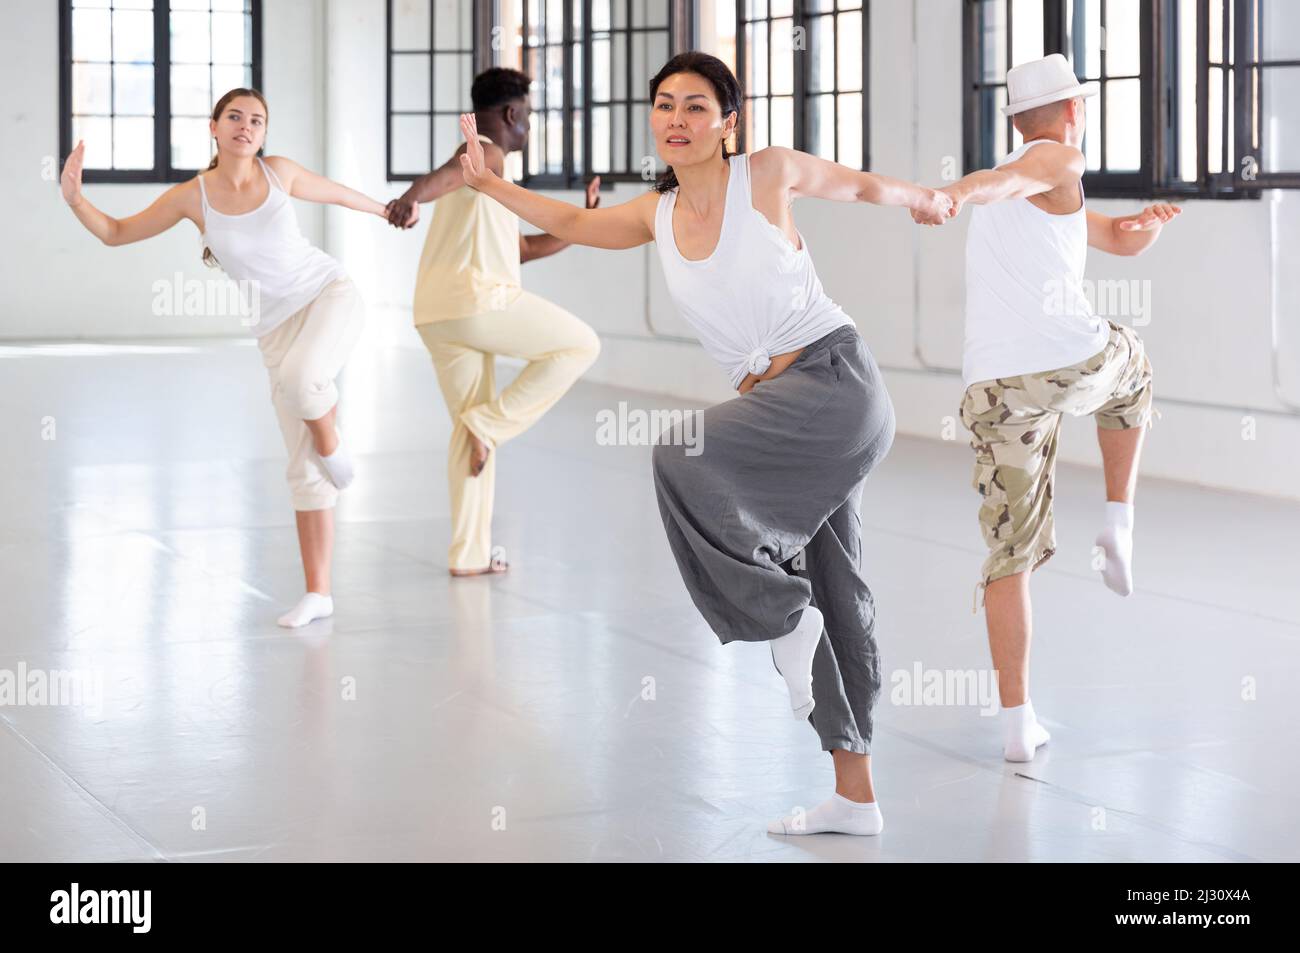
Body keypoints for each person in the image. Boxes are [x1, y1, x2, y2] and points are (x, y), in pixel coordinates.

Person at [457, 52, 954, 835]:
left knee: (679, 454)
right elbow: (575, 223)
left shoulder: (768, 175)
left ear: (730, 121)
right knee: (838, 588)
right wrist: (490, 186)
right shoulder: (654, 214)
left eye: (696, 106)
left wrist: (924, 197)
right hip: (785, 415)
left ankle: (784, 620)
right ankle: (855, 792)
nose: (677, 120)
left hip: (837, 386)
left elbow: (857, 185)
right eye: (664, 105)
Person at [60, 87, 396, 627]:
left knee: (304, 379)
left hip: (327, 294)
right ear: (214, 128)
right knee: (301, 466)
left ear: (264, 134)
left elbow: (337, 195)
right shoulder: (192, 196)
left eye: (257, 120)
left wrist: (387, 209)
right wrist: (77, 198)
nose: (246, 126)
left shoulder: (280, 173)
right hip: (274, 328)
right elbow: (117, 234)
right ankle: (319, 593)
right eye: (235, 117)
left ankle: (335, 446)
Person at [928, 54, 1180, 761]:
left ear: (1014, 117)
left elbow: (1117, 241)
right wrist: (954, 191)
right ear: (1072, 111)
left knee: (1011, 550)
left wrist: (1147, 223)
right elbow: (997, 180)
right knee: (1133, 361)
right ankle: (1118, 524)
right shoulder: (1054, 159)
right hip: (1066, 364)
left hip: (993, 391)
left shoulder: (1049, 185)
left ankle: (1017, 724)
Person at [385, 68, 602, 576]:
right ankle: (491, 425)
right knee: (580, 345)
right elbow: (451, 171)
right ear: (511, 114)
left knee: (468, 436)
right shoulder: (487, 155)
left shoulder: (493, 182)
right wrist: (412, 196)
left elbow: (521, 249)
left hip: (437, 316)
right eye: (527, 115)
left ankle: (469, 555)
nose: (527, 125)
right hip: (479, 304)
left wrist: (583, 220)